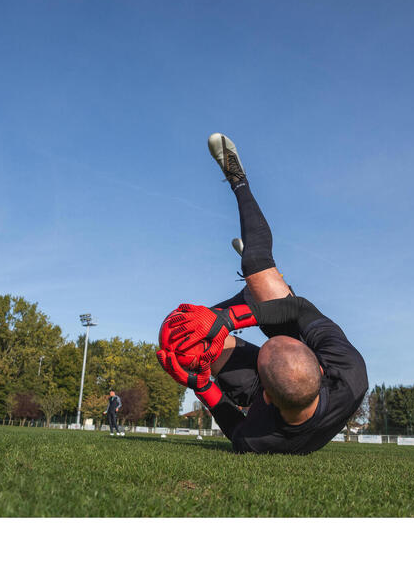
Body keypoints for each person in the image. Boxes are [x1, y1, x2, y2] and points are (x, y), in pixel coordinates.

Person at [157, 134, 368, 454]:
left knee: (180, 338)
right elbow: (296, 309)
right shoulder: (349, 370)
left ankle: (254, 289)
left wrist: (202, 385)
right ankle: (238, 181)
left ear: (266, 397)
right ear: (319, 366)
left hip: (264, 383)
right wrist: (229, 319)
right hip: (294, 340)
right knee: (258, 267)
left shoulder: (258, 438)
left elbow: (236, 430)